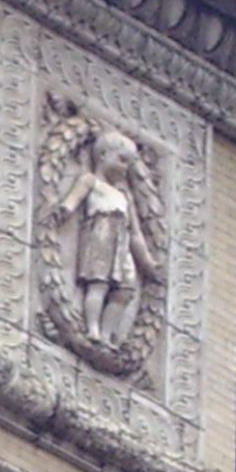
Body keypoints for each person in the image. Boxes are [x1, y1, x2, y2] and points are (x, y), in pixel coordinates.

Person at [57, 131, 159, 344]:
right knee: (98, 284)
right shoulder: (91, 181)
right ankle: (92, 328)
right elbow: (73, 199)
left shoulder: (124, 196)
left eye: (129, 164)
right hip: (101, 233)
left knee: (125, 291)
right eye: (122, 160)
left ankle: (106, 334)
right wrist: (65, 209)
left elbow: (135, 233)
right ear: (103, 155)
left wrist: (147, 261)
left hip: (121, 241)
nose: (125, 168)